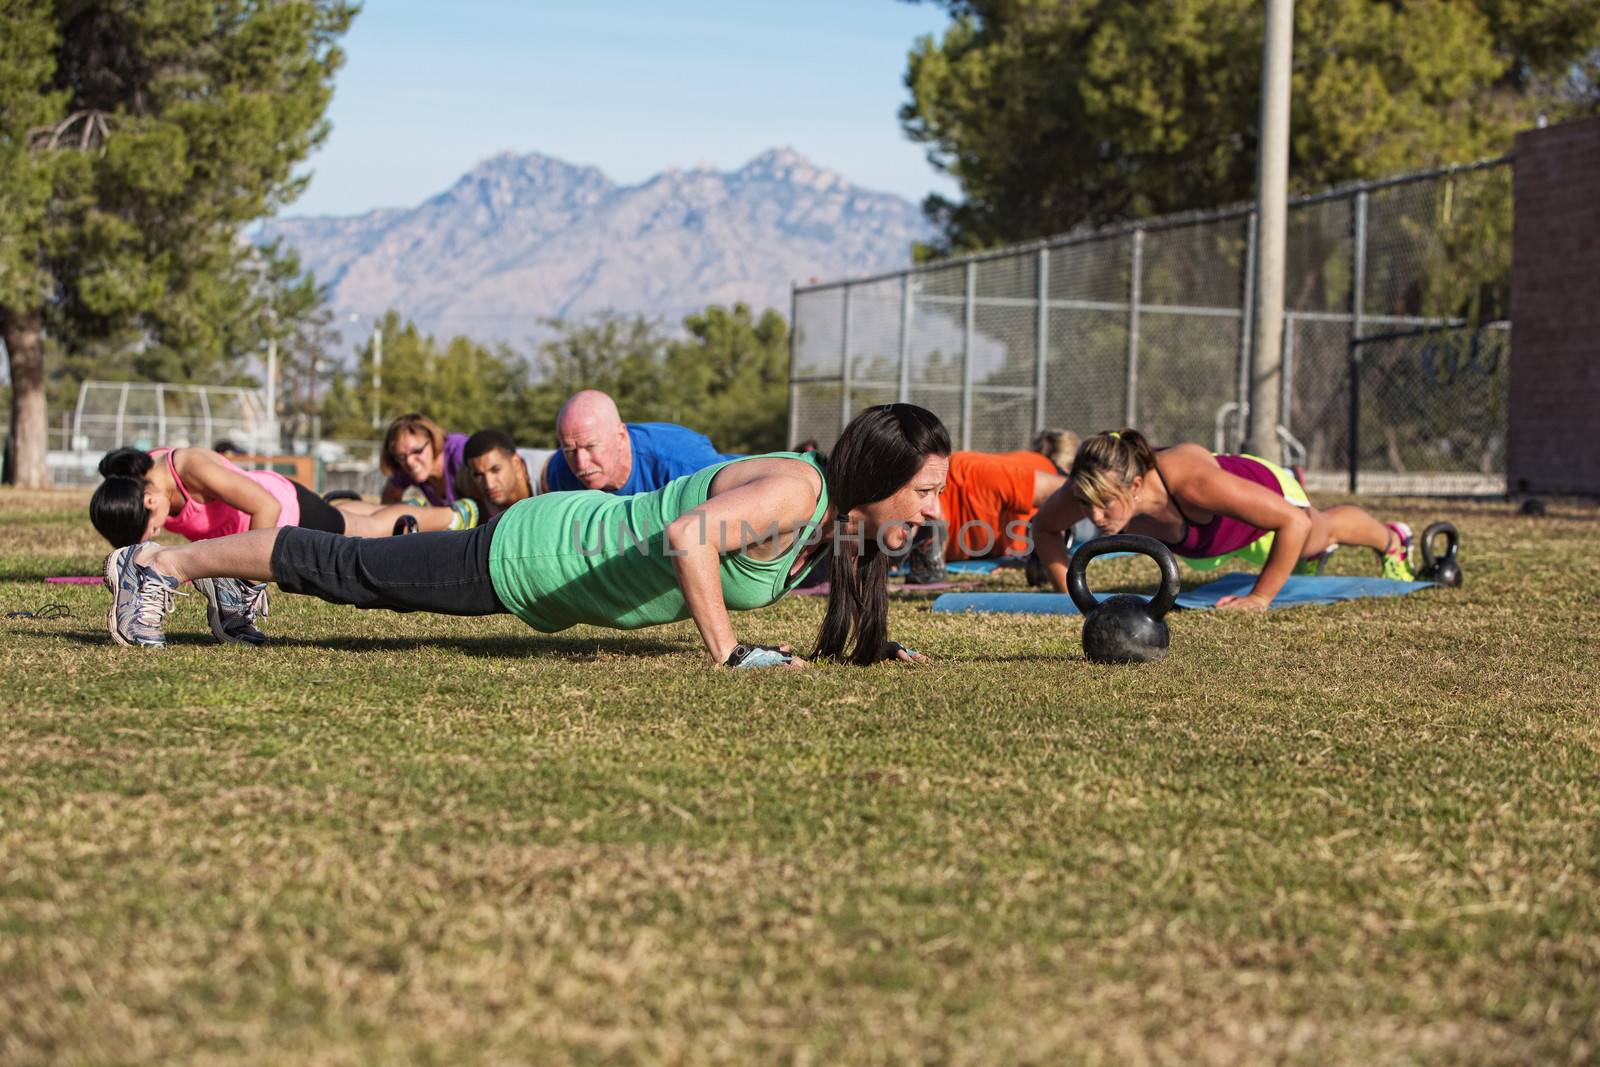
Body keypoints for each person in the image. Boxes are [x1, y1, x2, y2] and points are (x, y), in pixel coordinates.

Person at [102, 404, 950, 668]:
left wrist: (871, 644)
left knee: (346, 561)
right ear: (877, 479)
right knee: (346, 565)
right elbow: (690, 539)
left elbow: (850, 580)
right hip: (533, 554)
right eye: (924, 490)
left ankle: (217, 581)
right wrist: (729, 654)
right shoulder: (797, 490)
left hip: (553, 557)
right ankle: (158, 563)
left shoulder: (837, 523)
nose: (932, 509)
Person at [89, 446, 473, 643]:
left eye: (148, 529)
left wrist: (250, 576)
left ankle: (453, 516)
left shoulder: (187, 468)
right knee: (350, 516)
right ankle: (355, 505)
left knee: (364, 530)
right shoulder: (135, 482)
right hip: (261, 520)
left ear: (150, 500)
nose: (152, 536)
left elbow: (265, 506)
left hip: (285, 508)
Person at [1029, 429, 1416, 611]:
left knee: (1316, 533)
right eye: (1086, 504)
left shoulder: (1193, 483)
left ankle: (1392, 539)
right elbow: (1044, 528)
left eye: (1105, 506)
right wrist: (1071, 595)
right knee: (1295, 549)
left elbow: (1291, 524)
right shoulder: (1090, 484)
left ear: (1134, 485)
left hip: (1263, 501)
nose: (1094, 517)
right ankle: (1300, 558)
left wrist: (1259, 598)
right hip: (1207, 541)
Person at [905, 449, 1065, 583]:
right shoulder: (896, 533)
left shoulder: (972, 476)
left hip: (1048, 471)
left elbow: (1072, 490)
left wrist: (1042, 550)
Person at [544, 390, 731, 495]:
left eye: (591, 446)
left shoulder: (682, 461)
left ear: (620, 435)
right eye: (569, 450)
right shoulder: (560, 472)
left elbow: (730, 518)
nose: (581, 463)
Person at [379, 413, 472, 507]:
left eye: (417, 451)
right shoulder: (406, 465)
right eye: (401, 456)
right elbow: (390, 496)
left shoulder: (460, 452)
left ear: (433, 441)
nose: (409, 462)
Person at [460, 429, 557, 518]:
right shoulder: (469, 488)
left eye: (495, 470)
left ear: (516, 462)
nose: (489, 485)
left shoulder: (551, 477)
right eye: (478, 475)